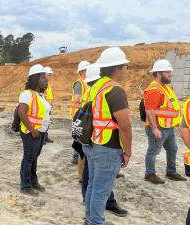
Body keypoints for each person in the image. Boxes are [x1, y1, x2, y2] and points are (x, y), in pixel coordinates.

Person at [83, 47, 132, 225]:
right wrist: (128, 152)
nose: (127, 70)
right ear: (117, 68)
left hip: (92, 142)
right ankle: (95, 222)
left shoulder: (95, 87)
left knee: (93, 186)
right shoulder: (115, 90)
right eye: (125, 66)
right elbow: (125, 126)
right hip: (107, 147)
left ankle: (90, 220)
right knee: (101, 190)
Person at [143, 59, 186, 184]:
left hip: (168, 127)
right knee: (153, 151)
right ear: (158, 73)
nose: (170, 74)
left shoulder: (166, 87)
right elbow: (150, 110)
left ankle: (170, 172)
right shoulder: (154, 90)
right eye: (167, 72)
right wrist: (155, 128)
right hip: (158, 127)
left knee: (173, 149)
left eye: (170, 71)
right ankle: (149, 174)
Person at [18, 64, 51, 196]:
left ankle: (33, 181)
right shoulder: (27, 94)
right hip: (31, 132)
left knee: (34, 157)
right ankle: (25, 186)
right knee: (29, 158)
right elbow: (22, 113)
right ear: (35, 79)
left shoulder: (40, 95)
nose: (46, 80)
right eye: (43, 77)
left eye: (46, 77)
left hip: (40, 132)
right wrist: (32, 130)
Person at [70, 61, 90, 165]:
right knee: (78, 135)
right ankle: (75, 157)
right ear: (81, 72)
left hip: (83, 113)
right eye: (87, 70)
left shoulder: (87, 83)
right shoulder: (79, 84)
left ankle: (77, 156)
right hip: (78, 114)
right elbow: (77, 98)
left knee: (81, 134)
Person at [43, 66, 54, 144]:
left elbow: (49, 96)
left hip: (49, 107)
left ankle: (45, 137)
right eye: (49, 75)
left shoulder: (49, 84)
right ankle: (42, 138)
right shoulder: (43, 84)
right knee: (43, 123)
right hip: (44, 108)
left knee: (47, 123)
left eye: (51, 75)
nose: (50, 76)